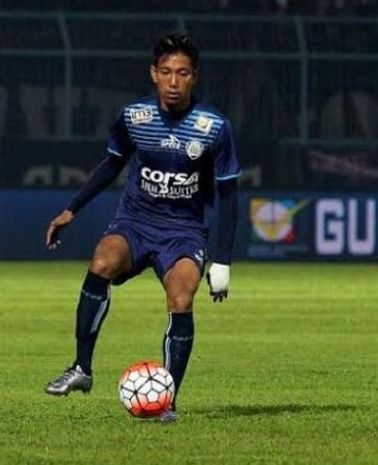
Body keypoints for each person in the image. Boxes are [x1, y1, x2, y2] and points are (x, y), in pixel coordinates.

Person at [43, 33, 240, 422]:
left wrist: (222, 261)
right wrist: (72, 209)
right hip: (135, 222)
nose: (173, 81)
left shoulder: (213, 127)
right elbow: (111, 165)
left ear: (194, 77)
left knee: (181, 297)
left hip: (184, 231)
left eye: (182, 73)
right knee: (101, 261)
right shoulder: (135, 117)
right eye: (166, 72)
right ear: (153, 73)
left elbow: (229, 195)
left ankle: (167, 402)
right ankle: (81, 369)